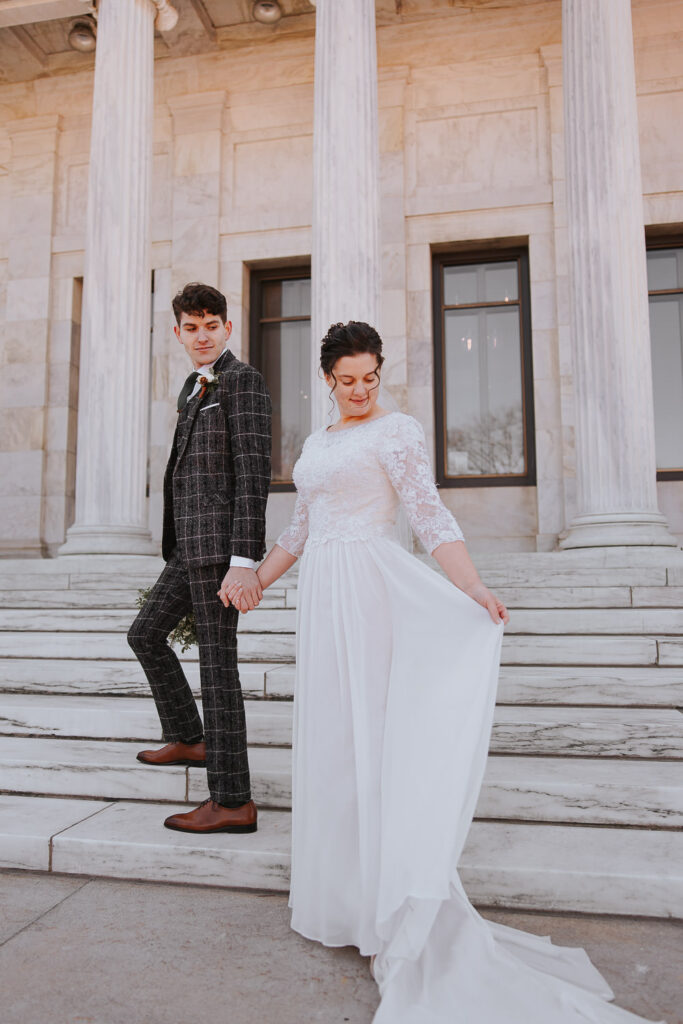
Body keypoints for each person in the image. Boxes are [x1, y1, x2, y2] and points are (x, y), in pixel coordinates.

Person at [224, 321, 665, 1023]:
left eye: (370, 376)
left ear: (379, 372)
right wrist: (255, 584)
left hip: (371, 590)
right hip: (324, 597)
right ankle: (338, 899)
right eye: (348, 380)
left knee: (370, 736)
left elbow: (429, 516)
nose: (361, 390)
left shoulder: (396, 432)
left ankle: (382, 904)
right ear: (328, 380)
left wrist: (472, 588)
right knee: (334, 741)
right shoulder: (316, 443)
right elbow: (298, 533)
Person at [128, 282, 271, 834]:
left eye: (212, 325)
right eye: (192, 327)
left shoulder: (243, 382)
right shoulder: (193, 385)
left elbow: (253, 473)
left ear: (227, 329)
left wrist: (244, 559)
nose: (203, 335)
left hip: (219, 553)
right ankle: (189, 738)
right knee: (144, 633)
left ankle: (233, 799)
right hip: (187, 549)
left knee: (217, 669)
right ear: (179, 334)